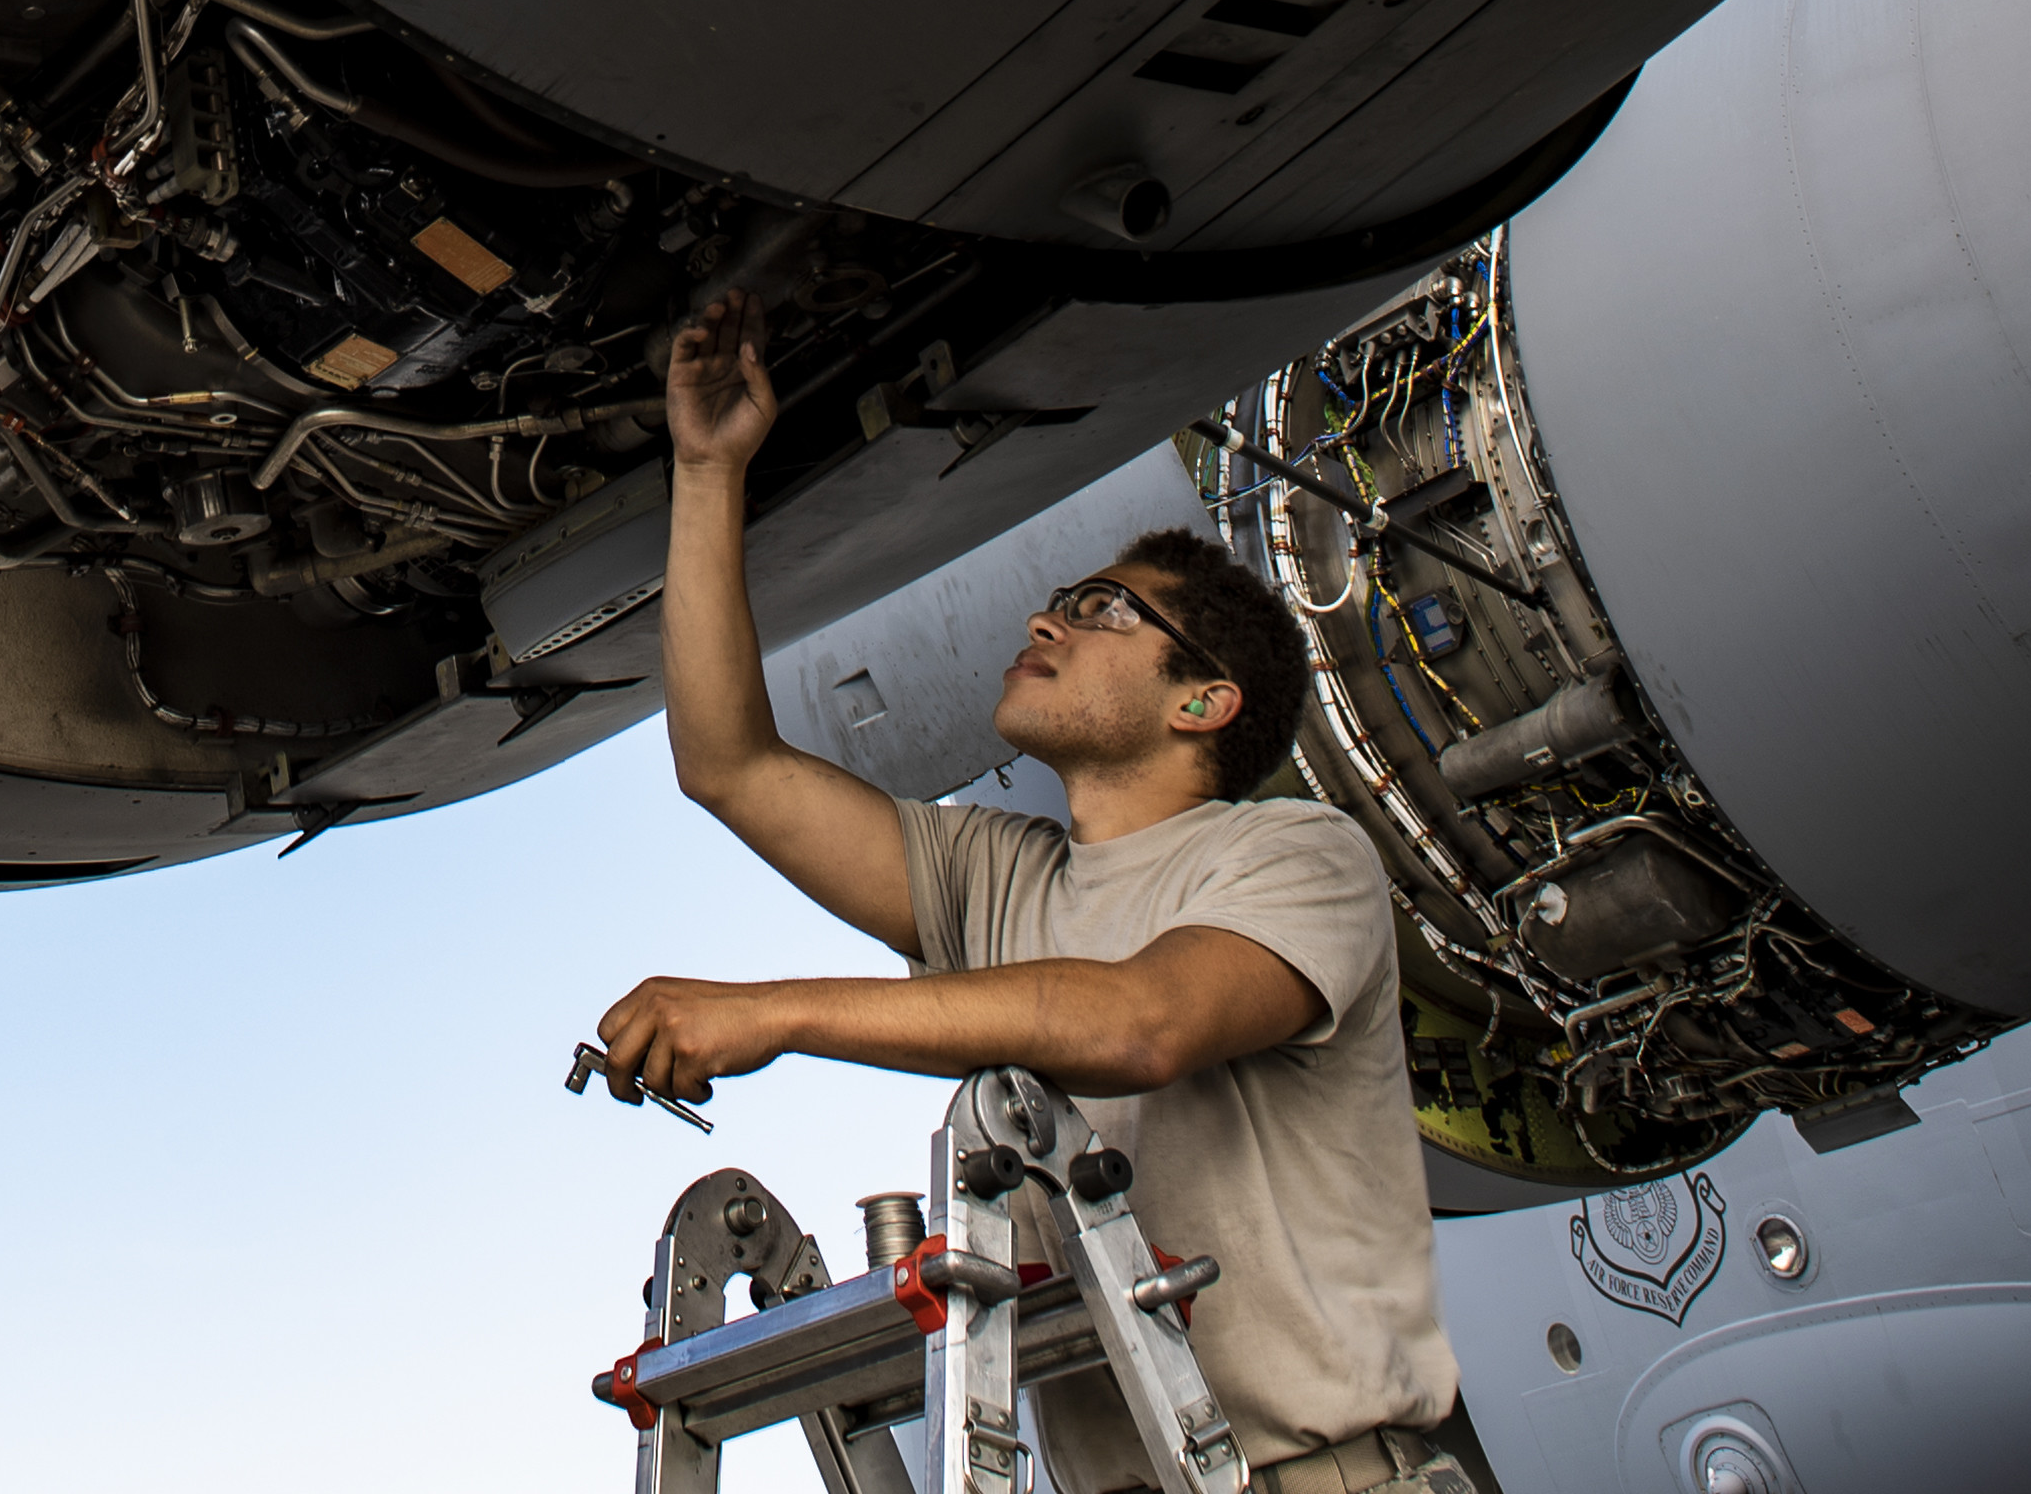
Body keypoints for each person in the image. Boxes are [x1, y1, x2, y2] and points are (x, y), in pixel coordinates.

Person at [592, 297, 1476, 1494]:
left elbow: (1138, 1023)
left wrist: (778, 1011)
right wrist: (707, 471)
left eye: (1104, 609)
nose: (1045, 618)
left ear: (1202, 701)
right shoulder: (995, 874)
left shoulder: (1298, 858)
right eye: (1061, 600)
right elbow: (730, 763)